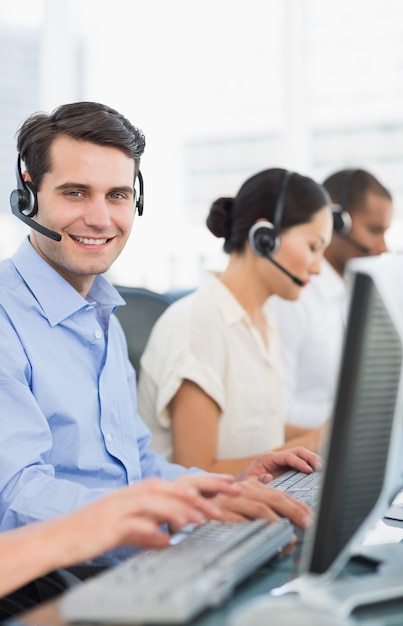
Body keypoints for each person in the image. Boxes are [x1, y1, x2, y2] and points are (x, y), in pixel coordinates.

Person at [0, 103, 320, 558]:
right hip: (55, 583)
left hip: (139, 561)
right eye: (75, 193)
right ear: (28, 195)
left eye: (116, 195)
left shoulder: (100, 313)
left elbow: (139, 466)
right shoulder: (6, 319)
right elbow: (15, 495)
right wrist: (157, 506)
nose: (99, 218)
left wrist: (224, 489)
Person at [138, 168, 333, 475]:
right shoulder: (198, 324)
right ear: (264, 237)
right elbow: (197, 470)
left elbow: (259, 427)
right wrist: (310, 443)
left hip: (253, 506)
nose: (319, 268)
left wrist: (326, 435)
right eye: (313, 247)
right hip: (201, 520)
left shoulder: (264, 318)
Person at [267, 168, 393, 429]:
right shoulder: (292, 296)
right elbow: (274, 412)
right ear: (337, 222)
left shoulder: (354, 292)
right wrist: (354, 420)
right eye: (374, 230)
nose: (383, 248)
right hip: (303, 451)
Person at [0, 474, 241, 599]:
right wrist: (88, 523)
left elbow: (141, 461)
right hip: (64, 574)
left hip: (133, 559)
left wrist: (221, 486)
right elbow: (16, 491)